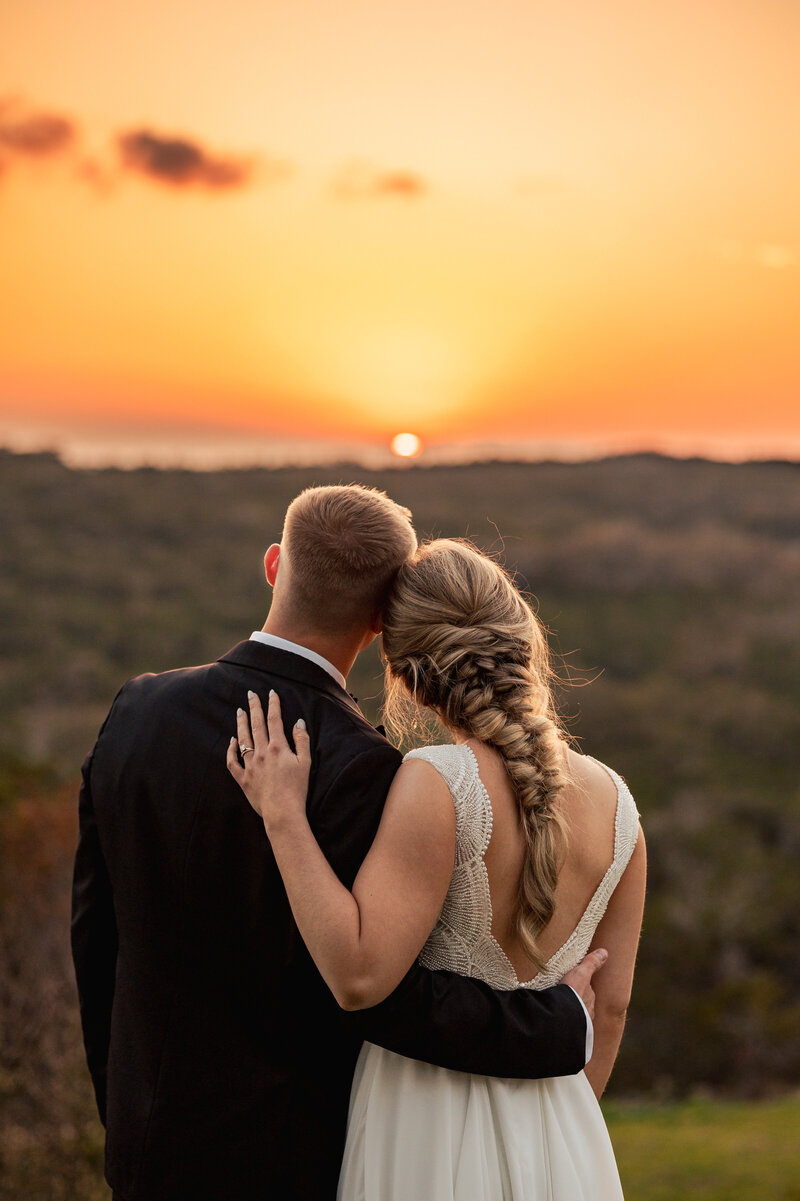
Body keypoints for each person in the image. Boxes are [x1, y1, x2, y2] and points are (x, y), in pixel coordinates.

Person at [72, 485, 605, 1201]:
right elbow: (376, 990)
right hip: (290, 1158)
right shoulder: (366, 769)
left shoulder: (136, 710)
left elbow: (95, 933)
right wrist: (553, 1025)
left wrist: (126, 1109)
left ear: (272, 565)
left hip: (144, 1145)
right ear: (385, 620)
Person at [230, 535, 647, 1201]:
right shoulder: (619, 804)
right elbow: (614, 1004)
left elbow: (359, 975)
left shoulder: (437, 781)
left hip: (422, 1125)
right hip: (565, 1128)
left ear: (406, 671)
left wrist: (282, 813)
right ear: (523, 643)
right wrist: (555, 1128)